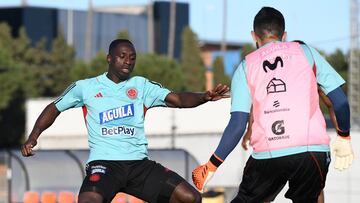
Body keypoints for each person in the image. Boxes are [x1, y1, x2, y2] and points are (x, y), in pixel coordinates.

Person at [21, 39, 230, 203]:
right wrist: (33, 137)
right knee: (88, 200)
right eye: (122, 56)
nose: (128, 61)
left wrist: (204, 97)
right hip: (105, 164)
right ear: (109, 59)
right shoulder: (86, 87)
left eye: (132, 57)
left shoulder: (141, 86)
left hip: (139, 165)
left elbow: (178, 99)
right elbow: (53, 108)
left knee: (190, 198)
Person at [192, 7, 353, 203]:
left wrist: (212, 164)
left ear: (254, 36)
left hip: (269, 151)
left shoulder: (246, 66)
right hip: (312, 150)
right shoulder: (306, 52)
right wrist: (344, 137)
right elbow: (340, 101)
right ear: (284, 35)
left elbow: (237, 125)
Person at [241, 89, 337, 203]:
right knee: (313, 193)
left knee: (257, 194)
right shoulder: (310, 71)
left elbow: (256, 98)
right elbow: (335, 102)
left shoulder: (262, 72)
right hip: (304, 144)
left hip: (276, 143)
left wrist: (250, 129)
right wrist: (343, 135)